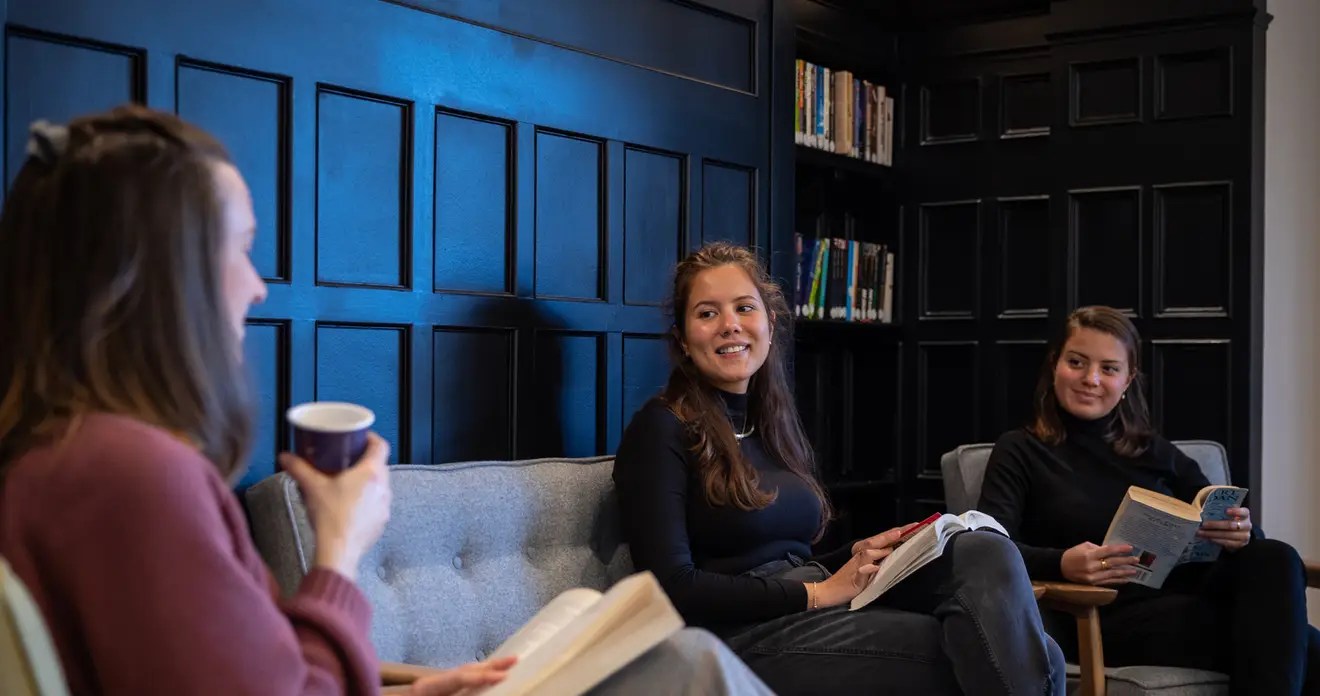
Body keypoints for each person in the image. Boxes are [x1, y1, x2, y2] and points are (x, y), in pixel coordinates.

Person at [0, 107, 771, 696]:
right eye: (238, 248)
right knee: (690, 665)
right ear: (162, 275)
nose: (258, 286)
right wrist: (340, 544)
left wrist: (420, 687)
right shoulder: (131, 477)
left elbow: (259, 668)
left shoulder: (68, 457)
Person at [613, 241, 1066, 695]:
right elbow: (671, 586)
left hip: (806, 601)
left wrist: (856, 556)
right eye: (707, 313)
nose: (730, 324)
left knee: (982, 551)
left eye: (744, 308)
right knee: (1009, 654)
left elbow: (788, 557)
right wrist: (818, 592)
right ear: (682, 339)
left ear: (770, 324)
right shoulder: (661, 428)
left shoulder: (770, 423)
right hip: (737, 636)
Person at [978, 305, 1319, 695]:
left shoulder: (1155, 452)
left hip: (1190, 596)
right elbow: (986, 548)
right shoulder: (1020, 450)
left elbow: (1228, 526)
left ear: (1127, 379)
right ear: (1055, 364)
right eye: (1077, 362)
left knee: (1276, 556)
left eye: (1109, 368)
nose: (1091, 379)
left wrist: (1240, 533)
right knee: (1299, 645)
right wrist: (1061, 563)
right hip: (1099, 613)